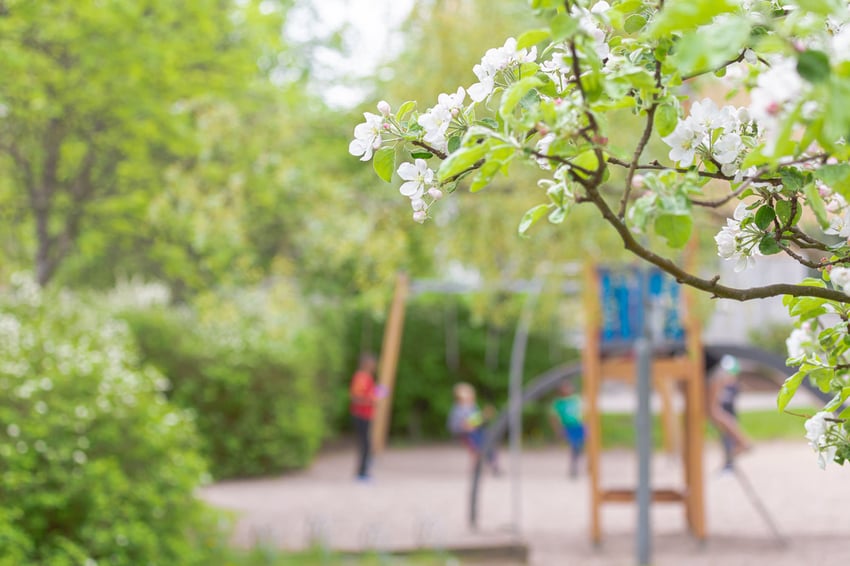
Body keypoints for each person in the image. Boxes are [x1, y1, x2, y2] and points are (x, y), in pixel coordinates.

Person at [706, 354, 752, 471]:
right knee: (712, 412)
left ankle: (742, 441)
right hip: (713, 372)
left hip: (714, 372)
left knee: (713, 411)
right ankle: (738, 442)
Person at [447, 382, 499, 474]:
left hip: (476, 432)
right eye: (466, 397)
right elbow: (461, 424)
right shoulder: (459, 409)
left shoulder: (473, 407)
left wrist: (484, 416)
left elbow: (477, 421)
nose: (469, 399)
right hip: (465, 433)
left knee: (487, 438)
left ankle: (490, 461)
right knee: (478, 444)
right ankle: (488, 462)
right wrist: (474, 422)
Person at [349, 353, 384, 481]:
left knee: (366, 443)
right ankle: (361, 473)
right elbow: (356, 398)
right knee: (365, 444)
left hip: (366, 414)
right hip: (360, 414)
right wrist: (373, 399)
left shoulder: (368, 378)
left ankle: (364, 471)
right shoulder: (361, 378)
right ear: (366, 364)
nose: (375, 366)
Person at [549, 380, 586, 478]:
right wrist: (558, 430)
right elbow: (553, 417)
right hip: (568, 426)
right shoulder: (558, 402)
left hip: (579, 425)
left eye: (568, 387)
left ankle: (580, 464)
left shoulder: (576, 399)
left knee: (581, 446)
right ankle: (574, 466)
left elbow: (583, 410)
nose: (567, 390)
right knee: (574, 446)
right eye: (565, 388)